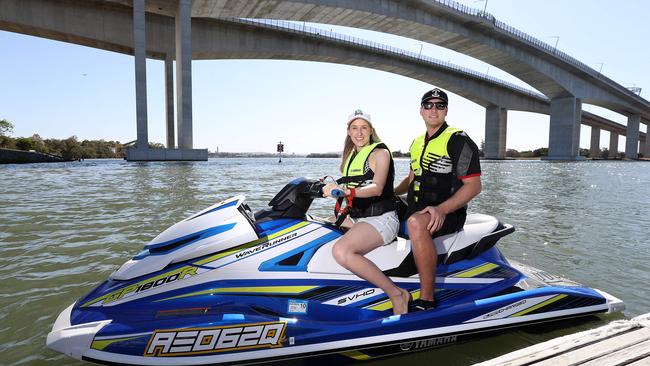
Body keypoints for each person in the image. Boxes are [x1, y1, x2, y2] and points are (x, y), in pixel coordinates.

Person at [394, 88, 482, 311]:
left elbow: (474, 186)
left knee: (415, 222)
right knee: (376, 210)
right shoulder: (416, 142)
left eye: (440, 105)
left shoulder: (458, 140)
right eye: (429, 105)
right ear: (421, 110)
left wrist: (442, 210)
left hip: (447, 213)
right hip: (417, 207)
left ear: (446, 110)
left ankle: (427, 300)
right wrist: (390, 194)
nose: (434, 109)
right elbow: (412, 177)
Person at [323, 109, 411, 315]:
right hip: (358, 218)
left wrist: (348, 190)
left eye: (364, 128)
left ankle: (396, 294)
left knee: (341, 251)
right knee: (316, 226)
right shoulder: (350, 156)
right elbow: (348, 188)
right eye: (354, 128)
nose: (359, 133)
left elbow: (377, 187)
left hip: (382, 219)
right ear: (348, 131)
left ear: (371, 130)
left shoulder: (380, 153)